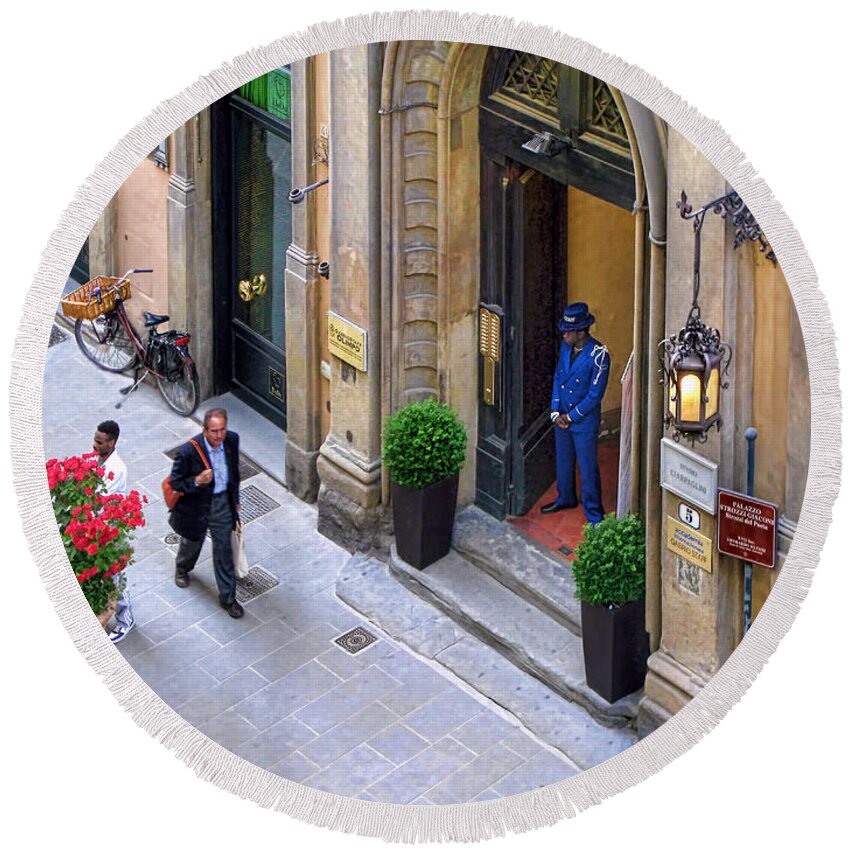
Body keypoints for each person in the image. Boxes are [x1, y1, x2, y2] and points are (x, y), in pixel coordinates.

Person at [168, 408, 244, 618]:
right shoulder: (188, 452)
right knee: (192, 541)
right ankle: (182, 568)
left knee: (224, 551)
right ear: (204, 430)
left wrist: (234, 500)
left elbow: (234, 473)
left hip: (221, 503)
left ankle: (228, 598)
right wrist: (197, 481)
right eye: (214, 431)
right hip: (197, 504)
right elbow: (176, 482)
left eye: (222, 430)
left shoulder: (232, 440)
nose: (219, 436)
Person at [541, 302, 610, 525]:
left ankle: (594, 513)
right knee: (563, 461)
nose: (564, 335)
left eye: (568, 331)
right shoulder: (566, 347)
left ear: (581, 332)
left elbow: (594, 395)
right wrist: (555, 411)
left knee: (587, 467)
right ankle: (566, 497)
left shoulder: (599, 355)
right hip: (561, 417)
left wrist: (571, 416)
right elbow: (559, 377)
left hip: (582, 421)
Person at [92, 420, 134, 642]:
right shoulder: (98, 459)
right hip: (99, 528)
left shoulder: (117, 468)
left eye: (99, 442)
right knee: (107, 576)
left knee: (116, 577)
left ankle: (126, 620)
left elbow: (100, 500)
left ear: (112, 442)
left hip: (111, 528)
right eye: (95, 440)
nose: (94, 445)